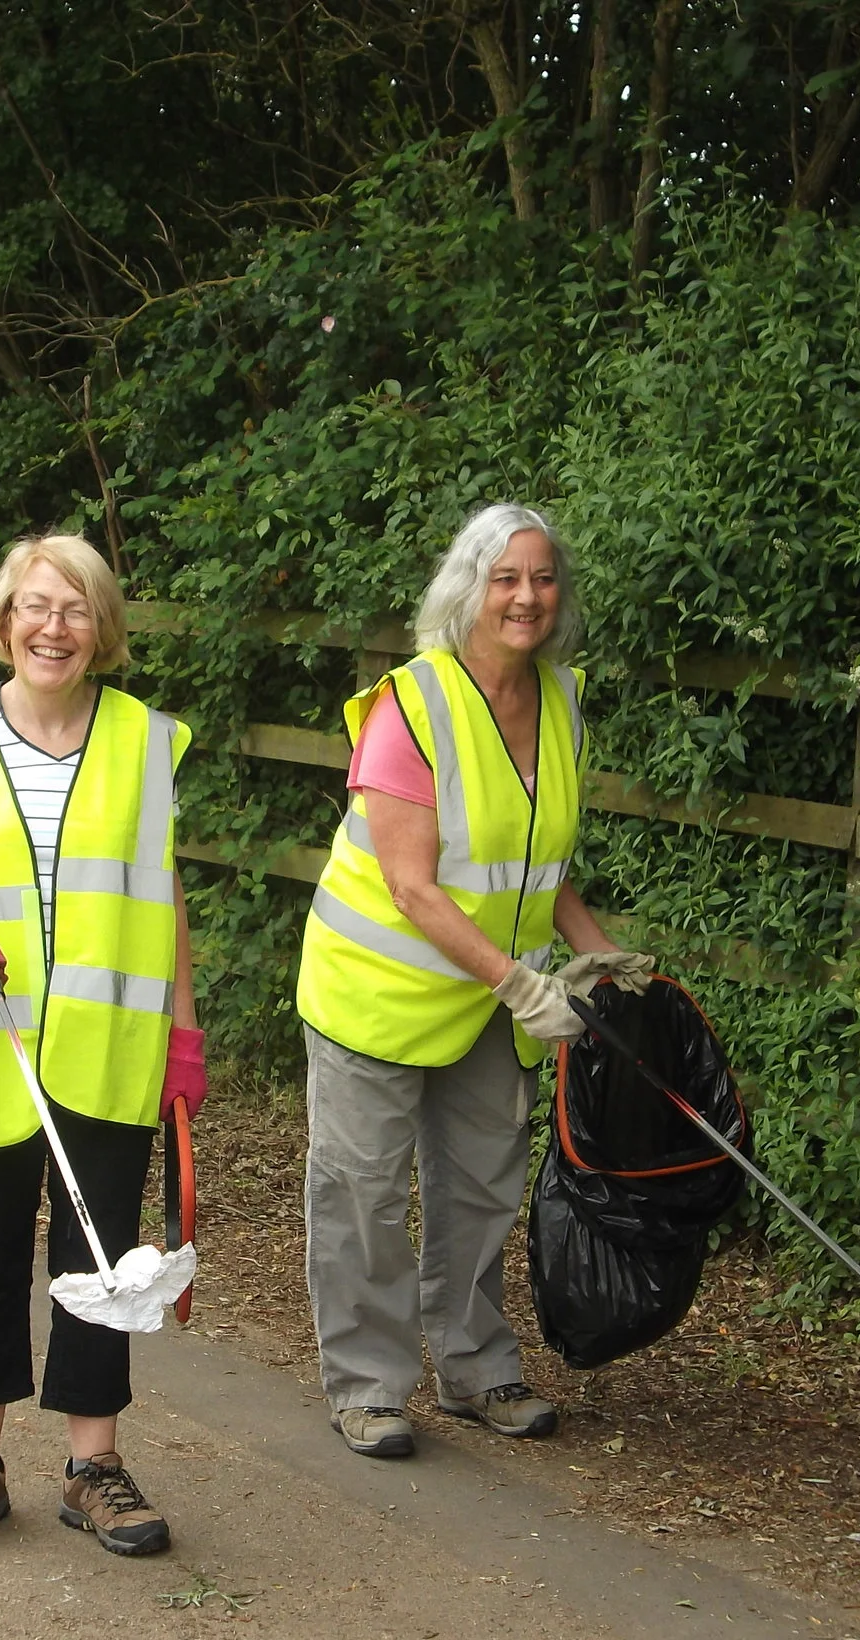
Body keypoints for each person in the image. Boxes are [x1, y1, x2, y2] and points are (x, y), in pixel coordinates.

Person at [295, 503, 650, 1459]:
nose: (527, 597)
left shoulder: (563, 698)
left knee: (483, 1187)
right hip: (380, 989)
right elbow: (411, 883)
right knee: (364, 1194)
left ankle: (475, 1363)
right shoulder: (411, 704)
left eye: (541, 578)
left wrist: (596, 948)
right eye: (505, 578)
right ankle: (368, 1385)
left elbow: (537, 858)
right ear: (467, 590)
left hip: (496, 999)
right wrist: (522, 984)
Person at [0, 533, 202, 1559]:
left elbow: (165, 898)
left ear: (100, 627)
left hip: (111, 1048)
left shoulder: (149, 742)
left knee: (102, 1260)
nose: (51, 626)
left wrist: (184, 1035)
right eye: (33, 605)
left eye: (73, 608)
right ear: (3, 620)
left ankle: (92, 1467)